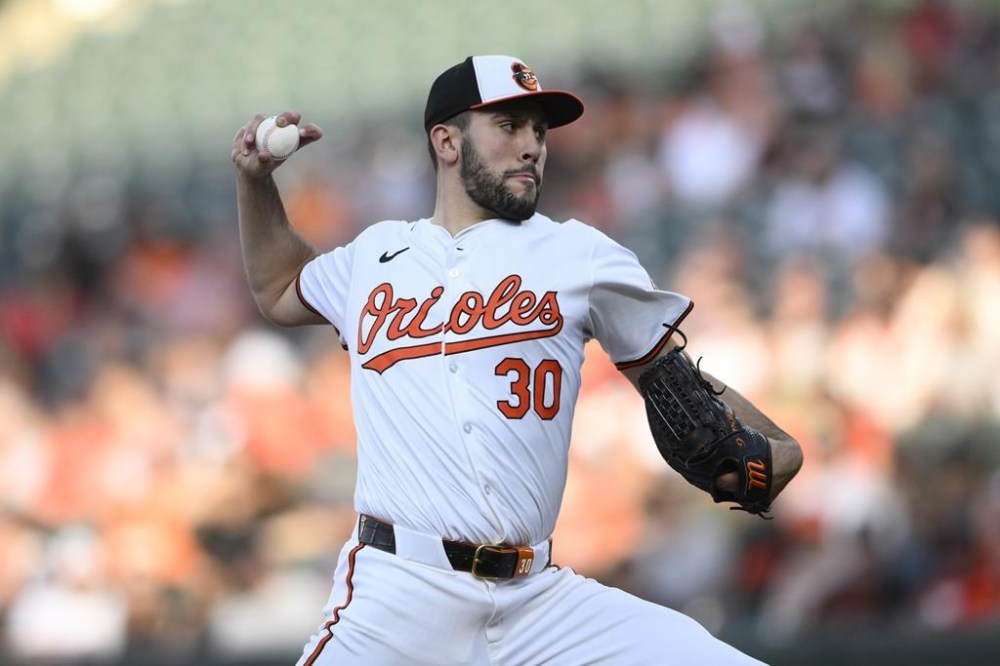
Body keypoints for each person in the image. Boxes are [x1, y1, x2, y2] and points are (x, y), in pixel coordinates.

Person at [231, 54, 802, 665]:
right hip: (398, 598)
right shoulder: (375, 255)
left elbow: (674, 382)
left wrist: (769, 441)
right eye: (509, 126)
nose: (532, 145)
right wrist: (256, 182)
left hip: (539, 603)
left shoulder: (579, 254)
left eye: (539, 130)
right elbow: (278, 288)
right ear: (446, 142)